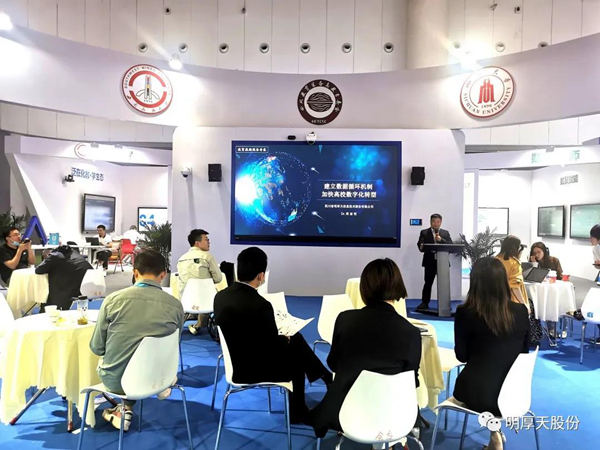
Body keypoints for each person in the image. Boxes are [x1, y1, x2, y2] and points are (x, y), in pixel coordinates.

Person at [214, 247, 332, 424]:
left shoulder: (220, 297)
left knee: (296, 339)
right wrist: (284, 338)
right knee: (296, 356)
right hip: (253, 369)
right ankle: (299, 411)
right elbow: (271, 346)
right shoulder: (260, 304)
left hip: (235, 361)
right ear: (261, 276)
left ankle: (325, 376)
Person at [309, 258, 422, 442]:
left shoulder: (345, 320)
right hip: (395, 415)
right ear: (398, 286)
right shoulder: (411, 332)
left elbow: (333, 364)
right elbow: (412, 381)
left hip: (346, 411)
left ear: (364, 287)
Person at [90, 249, 184, 431]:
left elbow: (97, 347)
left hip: (116, 382)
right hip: (160, 377)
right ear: (163, 275)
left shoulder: (113, 300)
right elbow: (174, 345)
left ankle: (123, 409)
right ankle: (140, 398)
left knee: (116, 360)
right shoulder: (176, 306)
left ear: (135, 272)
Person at [452, 257, 529, 450]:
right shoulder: (521, 311)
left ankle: (495, 434)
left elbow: (461, 356)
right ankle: (495, 433)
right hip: (514, 393)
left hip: (476, 393)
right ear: (503, 281)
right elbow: (524, 352)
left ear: (475, 282)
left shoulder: (465, 313)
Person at [177, 229, 223, 335]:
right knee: (213, 293)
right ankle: (200, 325)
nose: (209, 242)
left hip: (185, 300)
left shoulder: (181, 259)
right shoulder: (207, 257)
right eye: (206, 239)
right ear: (197, 243)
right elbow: (218, 278)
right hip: (206, 301)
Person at [35, 245, 93, 311]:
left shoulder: (55, 256)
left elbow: (38, 270)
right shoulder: (76, 254)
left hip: (65, 293)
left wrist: (47, 258)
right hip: (85, 290)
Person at [416, 213, 453, 311]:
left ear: (441, 222)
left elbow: (450, 245)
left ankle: (445, 304)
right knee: (428, 283)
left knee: (444, 284)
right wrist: (421, 245)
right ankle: (425, 302)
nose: (435, 224)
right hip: (429, 262)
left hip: (443, 262)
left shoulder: (445, 233)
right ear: (430, 222)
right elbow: (421, 245)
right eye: (433, 222)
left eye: (438, 222)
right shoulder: (424, 232)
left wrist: (441, 240)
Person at [496, 235, 528, 309]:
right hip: (512, 301)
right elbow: (514, 287)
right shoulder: (514, 263)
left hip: (496, 299)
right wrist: (524, 304)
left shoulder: (495, 259)